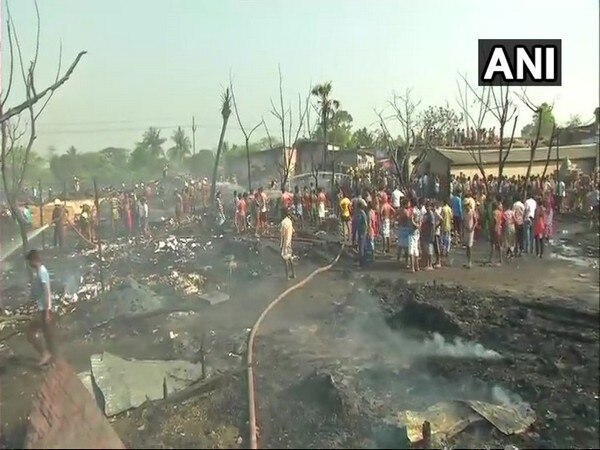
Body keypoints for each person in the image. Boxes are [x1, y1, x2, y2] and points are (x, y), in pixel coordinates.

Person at [25, 250, 55, 365]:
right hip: (42, 309)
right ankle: (49, 356)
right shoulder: (38, 272)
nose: (29, 264)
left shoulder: (42, 272)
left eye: (29, 262)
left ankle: (46, 354)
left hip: (44, 310)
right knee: (46, 335)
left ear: (34, 260)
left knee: (31, 333)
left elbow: (47, 292)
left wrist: (47, 312)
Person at [279, 209, 296, 280]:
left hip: (285, 243)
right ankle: (293, 274)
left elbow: (282, 235)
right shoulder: (289, 221)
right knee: (290, 257)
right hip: (289, 242)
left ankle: (287, 276)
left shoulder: (283, 223)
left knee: (285, 259)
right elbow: (293, 231)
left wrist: (281, 245)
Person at [408, 198, 422, 272]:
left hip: (412, 231)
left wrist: (415, 225)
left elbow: (411, 220)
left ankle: (412, 267)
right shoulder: (418, 211)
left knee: (411, 250)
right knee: (416, 249)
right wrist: (418, 226)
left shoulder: (412, 210)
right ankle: (417, 267)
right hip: (417, 232)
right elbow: (420, 221)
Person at [463, 200, 476, 268]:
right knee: (467, 246)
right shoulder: (464, 212)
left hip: (471, 231)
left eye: (466, 205)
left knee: (469, 246)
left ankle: (470, 262)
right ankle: (467, 261)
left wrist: (472, 228)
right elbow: (463, 221)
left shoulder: (472, 212)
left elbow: (476, 221)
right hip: (466, 230)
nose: (465, 207)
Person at [356, 199, 369, 268]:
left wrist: (363, 233)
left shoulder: (361, 213)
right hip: (361, 232)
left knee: (361, 248)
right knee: (362, 247)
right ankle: (363, 262)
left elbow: (365, 224)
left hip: (362, 232)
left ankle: (362, 263)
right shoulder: (360, 213)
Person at [440, 198, 453, 263]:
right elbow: (451, 217)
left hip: (443, 226)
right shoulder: (449, 209)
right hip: (448, 226)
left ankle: (443, 251)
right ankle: (447, 250)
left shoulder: (443, 209)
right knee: (448, 239)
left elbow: (441, 218)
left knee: (442, 239)